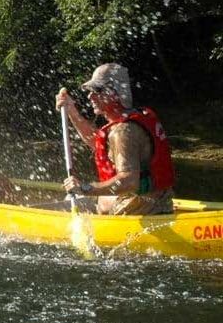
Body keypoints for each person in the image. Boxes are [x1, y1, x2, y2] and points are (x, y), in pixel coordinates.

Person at [55, 63, 175, 215]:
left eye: (97, 90)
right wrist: (71, 111)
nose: (90, 96)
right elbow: (97, 142)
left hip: (141, 211)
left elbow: (129, 181)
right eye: (90, 91)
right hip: (160, 202)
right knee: (79, 198)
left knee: (74, 197)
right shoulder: (133, 119)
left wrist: (85, 188)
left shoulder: (123, 132)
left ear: (115, 93)